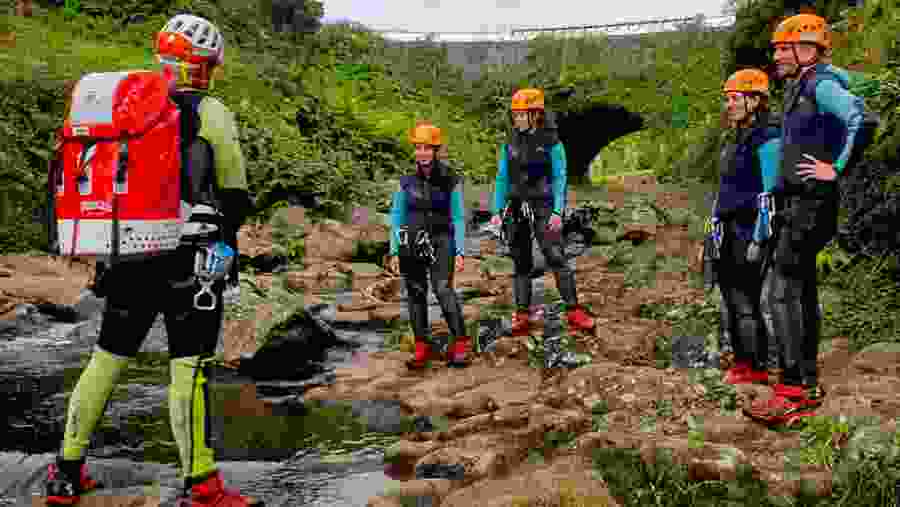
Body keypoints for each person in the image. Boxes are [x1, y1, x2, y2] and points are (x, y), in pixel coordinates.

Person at [44, 14, 258, 507]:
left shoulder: (128, 116)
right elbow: (235, 191)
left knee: (105, 360)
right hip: (190, 264)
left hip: (127, 256)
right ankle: (201, 484)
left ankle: (65, 472)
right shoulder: (210, 111)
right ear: (203, 68)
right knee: (189, 369)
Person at [744, 13, 866, 426]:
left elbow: (863, 120)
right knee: (801, 291)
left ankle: (793, 387)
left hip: (811, 204)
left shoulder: (822, 84)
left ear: (808, 49)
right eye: (776, 48)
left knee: (780, 292)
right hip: (799, 204)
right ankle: (807, 380)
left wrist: (837, 167)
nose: (775, 55)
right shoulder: (802, 85)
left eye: (783, 48)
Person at [489, 88, 595, 337]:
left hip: (544, 205)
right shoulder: (510, 142)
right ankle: (522, 315)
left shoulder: (553, 143)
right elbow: (503, 177)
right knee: (521, 264)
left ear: (536, 114)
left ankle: (574, 311)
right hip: (516, 208)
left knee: (556, 257)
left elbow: (560, 178)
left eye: (521, 114)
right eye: (514, 114)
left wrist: (558, 211)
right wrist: (496, 211)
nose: (516, 118)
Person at [713, 69, 781, 385]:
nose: (729, 105)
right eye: (727, 99)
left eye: (734, 99)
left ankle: (755, 365)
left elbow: (770, 191)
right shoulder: (737, 138)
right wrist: (713, 226)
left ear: (755, 101)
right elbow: (725, 188)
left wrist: (759, 237)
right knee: (730, 298)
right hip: (727, 227)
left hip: (748, 228)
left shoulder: (768, 137)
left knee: (746, 300)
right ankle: (741, 360)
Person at [387, 121, 472, 369]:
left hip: (441, 240)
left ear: (436, 150)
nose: (422, 152)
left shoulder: (450, 180)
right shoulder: (406, 182)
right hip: (411, 242)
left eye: (427, 148)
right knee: (415, 294)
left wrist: (460, 250)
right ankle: (421, 347)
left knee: (443, 289)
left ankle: (461, 344)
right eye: (418, 147)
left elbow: (457, 216)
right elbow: (396, 217)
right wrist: (394, 249)